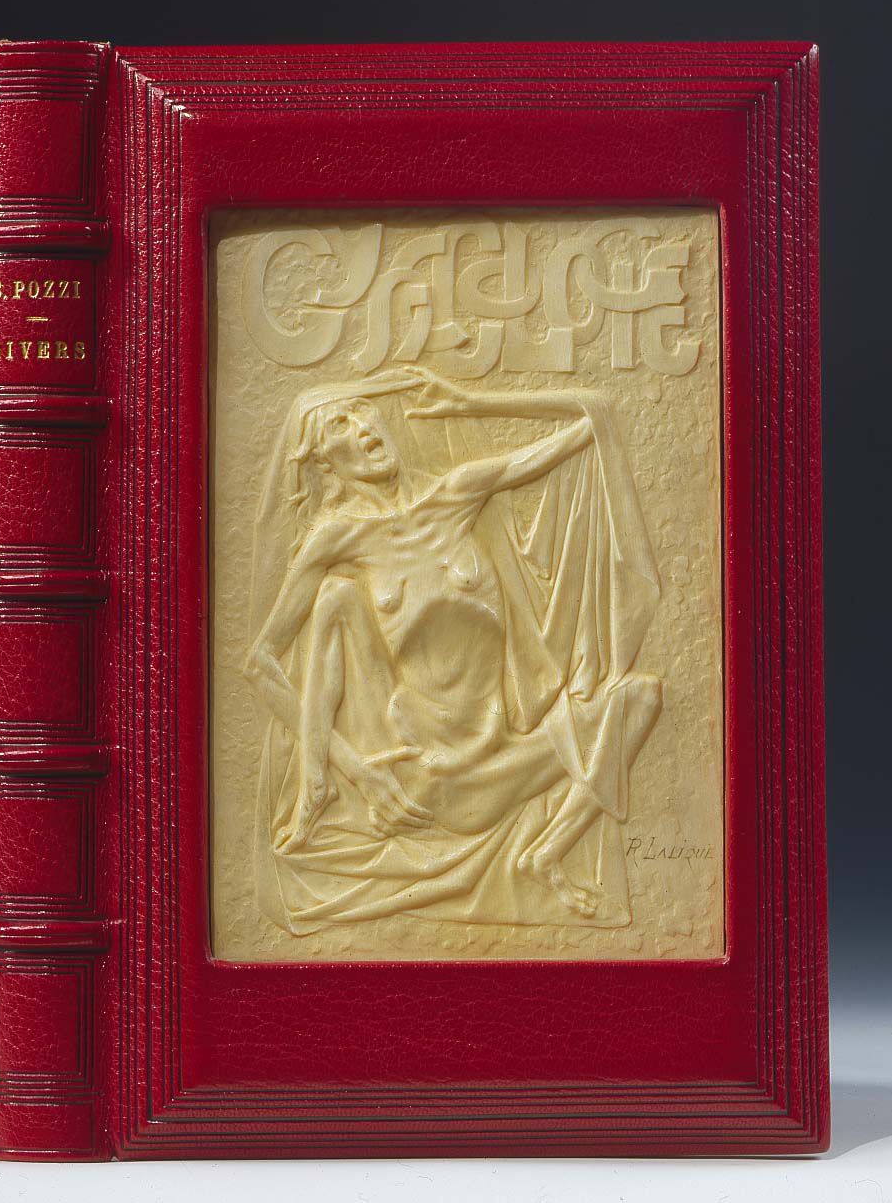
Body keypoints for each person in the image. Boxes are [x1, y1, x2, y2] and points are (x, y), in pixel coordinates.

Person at [245, 368, 661, 933]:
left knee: (641, 697)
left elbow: (593, 419)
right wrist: (358, 774)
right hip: (431, 779)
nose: (364, 427)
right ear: (324, 463)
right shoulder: (337, 540)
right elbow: (261, 663)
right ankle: (316, 787)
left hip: (504, 752)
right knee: (335, 599)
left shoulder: (458, 493)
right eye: (341, 424)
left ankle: (545, 853)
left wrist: (469, 400)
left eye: (366, 412)